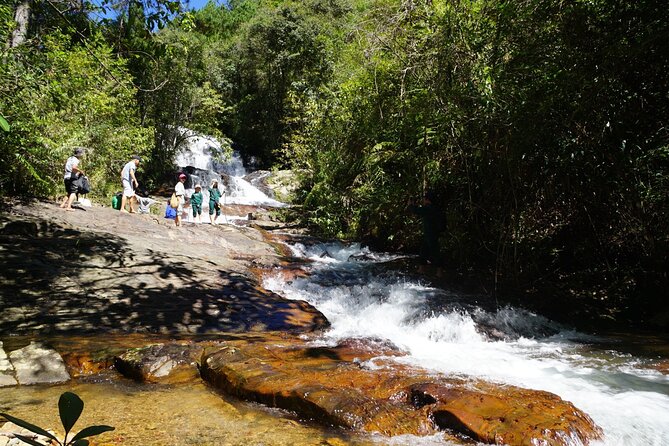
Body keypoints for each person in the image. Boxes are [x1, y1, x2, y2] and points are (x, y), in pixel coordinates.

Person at [408, 191, 443, 264]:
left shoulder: (429, 208)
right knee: (423, 252)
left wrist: (410, 205)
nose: (423, 200)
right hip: (431, 234)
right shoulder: (436, 208)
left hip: (431, 234)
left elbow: (416, 210)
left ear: (428, 200)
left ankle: (439, 273)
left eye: (424, 198)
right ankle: (421, 270)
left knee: (435, 253)